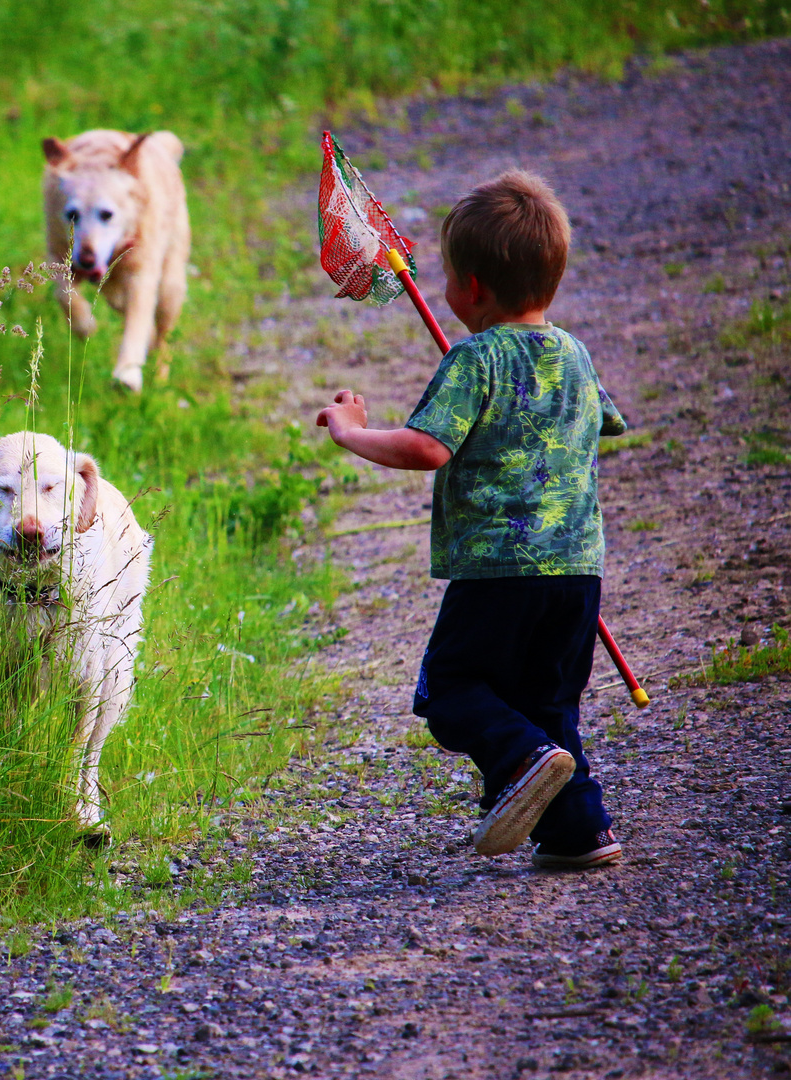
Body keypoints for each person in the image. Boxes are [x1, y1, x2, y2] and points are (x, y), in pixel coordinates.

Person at [315, 170, 627, 869]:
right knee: (550, 707)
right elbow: (608, 420)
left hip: (498, 573)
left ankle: (519, 760)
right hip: (577, 573)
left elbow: (428, 448)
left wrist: (351, 431)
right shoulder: (575, 354)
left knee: (450, 691)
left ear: (473, 289)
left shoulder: (475, 359)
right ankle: (580, 833)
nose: (447, 288)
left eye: (451, 275)